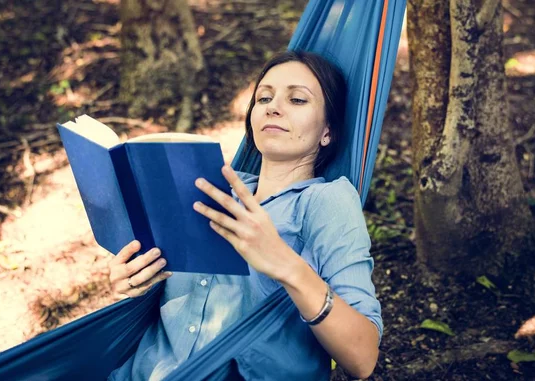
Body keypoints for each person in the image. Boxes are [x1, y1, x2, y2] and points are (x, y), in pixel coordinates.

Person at [107, 51, 383, 380]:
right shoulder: (208, 191)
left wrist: (287, 265)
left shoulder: (326, 201)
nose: (272, 106)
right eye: (264, 97)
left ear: (328, 132)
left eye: (296, 99)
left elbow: (363, 358)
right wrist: (134, 280)